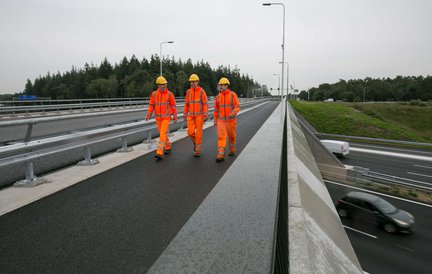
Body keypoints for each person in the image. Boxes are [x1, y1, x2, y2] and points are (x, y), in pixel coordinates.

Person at [145, 76, 177, 160]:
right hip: (158, 118)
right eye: (161, 84)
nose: (163, 86)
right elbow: (151, 105)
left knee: (162, 133)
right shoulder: (154, 94)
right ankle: (168, 146)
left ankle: (159, 151)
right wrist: (148, 114)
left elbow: (173, 106)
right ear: (158, 85)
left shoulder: (170, 94)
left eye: (164, 84)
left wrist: (175, 116)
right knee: (163, 134)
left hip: (166, 118)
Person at [213, 77, 240, 162]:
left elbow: (237, 106)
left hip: (230, 121)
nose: (221, 86)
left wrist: (233, 113)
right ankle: (221, 154)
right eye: (220, 85)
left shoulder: (233, 95)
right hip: (221, 121)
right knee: (221, 137)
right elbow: (216, 109)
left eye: (222, 85)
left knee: (231, 137)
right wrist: (215, 119)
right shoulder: (218, 97)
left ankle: (232, 150)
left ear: (227, 85)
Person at [184, 74, 209, 157]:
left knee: (198, 133)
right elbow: (187, 104)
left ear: (198, 82)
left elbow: (205, 104)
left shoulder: (202, 91)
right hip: (191, 116)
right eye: (191, 82)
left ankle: (197, 150)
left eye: (194, 82)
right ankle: (195, 143)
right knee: (190, 132)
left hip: (199, 116)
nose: (193, 83)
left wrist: (205, 114)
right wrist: (185, 113)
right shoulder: (188, 92)